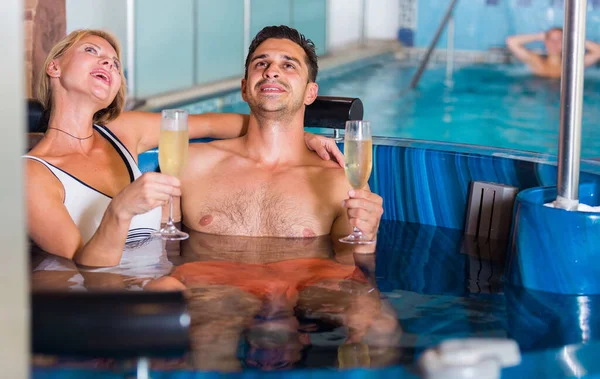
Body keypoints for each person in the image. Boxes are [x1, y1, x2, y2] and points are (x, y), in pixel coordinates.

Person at [25, 29, 343, 268]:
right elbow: (82, 272)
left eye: (115, 63)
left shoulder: (123, 131)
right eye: (92, 51)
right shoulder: (28, 176)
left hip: (163, 286)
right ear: (54, 66)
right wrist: (120, 211)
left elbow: (218, 123)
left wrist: (298, 137)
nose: (108, 62)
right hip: (108, 308)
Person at [179, 25, 383, 241]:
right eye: (261, 64)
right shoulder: (192, 164)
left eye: (288, 65)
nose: (271, 71)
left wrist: (366, 241)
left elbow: (351, 269)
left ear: (310, 93)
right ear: (244, 88)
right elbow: (160, 257)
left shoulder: (339, 185)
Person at [506, 27, 600, 78]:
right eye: (551, 39)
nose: (554, 43)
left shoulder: (573, 64)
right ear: (545, 42)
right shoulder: (536, 61)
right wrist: (539, 36)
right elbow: (511, 42)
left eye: (559, 40)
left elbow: (598, 51)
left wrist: (573, 39)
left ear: (565, 43)